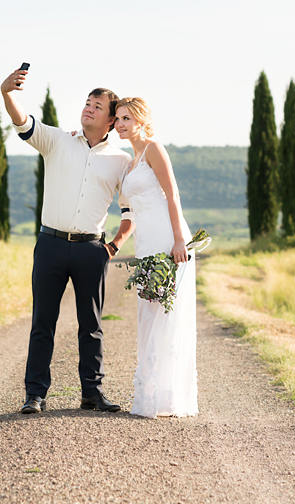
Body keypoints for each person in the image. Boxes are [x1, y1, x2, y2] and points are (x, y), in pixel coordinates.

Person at [0, 66, 134, 415]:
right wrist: (7, 93)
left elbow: (131, 210)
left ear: (109, 121)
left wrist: (114, 246)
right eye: (87, 102)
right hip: (50, 246)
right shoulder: (57, 140)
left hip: (92, 249)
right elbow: (24, 123)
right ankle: (35, 395)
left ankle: (92, 392)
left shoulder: (121, 162)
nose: (88, 108)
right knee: (43, 322)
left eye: (97, 106)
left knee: (90, 326)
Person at [113, 97, 198, 418]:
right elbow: (132, 210)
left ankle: (168, 397)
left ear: (141, 121)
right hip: (146, 243)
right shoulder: (131, 160)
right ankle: (154, 395)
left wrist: (179, 240)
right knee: (148, 313)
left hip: (166, 238)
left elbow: (172, 195)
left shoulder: (153, 149)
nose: (121, 124)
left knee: (165, 313)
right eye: (118, 119)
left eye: (127, 119)